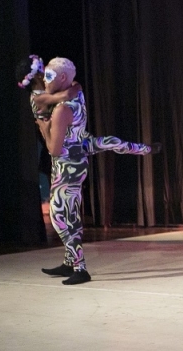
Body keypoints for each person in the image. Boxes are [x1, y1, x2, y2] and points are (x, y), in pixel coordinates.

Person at [16, 54, 160, 156]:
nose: (45, 70)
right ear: (36, 76)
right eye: (41, 69)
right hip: (60, 145)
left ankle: (145, 149)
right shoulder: (37, 97)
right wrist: (77, 86)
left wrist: (74, 84)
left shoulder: (48, 88)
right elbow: (66, 95)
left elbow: (67, 90)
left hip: (76, 140)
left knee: (111, 141)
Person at [34, 58, 93, 285]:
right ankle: (70, 262)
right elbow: (75, 84)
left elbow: (53, 149)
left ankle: (80, 267)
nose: (45, 81)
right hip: (75, 163)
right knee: (70, 215)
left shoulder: (62, 110)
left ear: (61, 78)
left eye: (49, 77)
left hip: (67, 166)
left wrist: (42, 126)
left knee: (59, 217)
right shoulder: (76, 91)